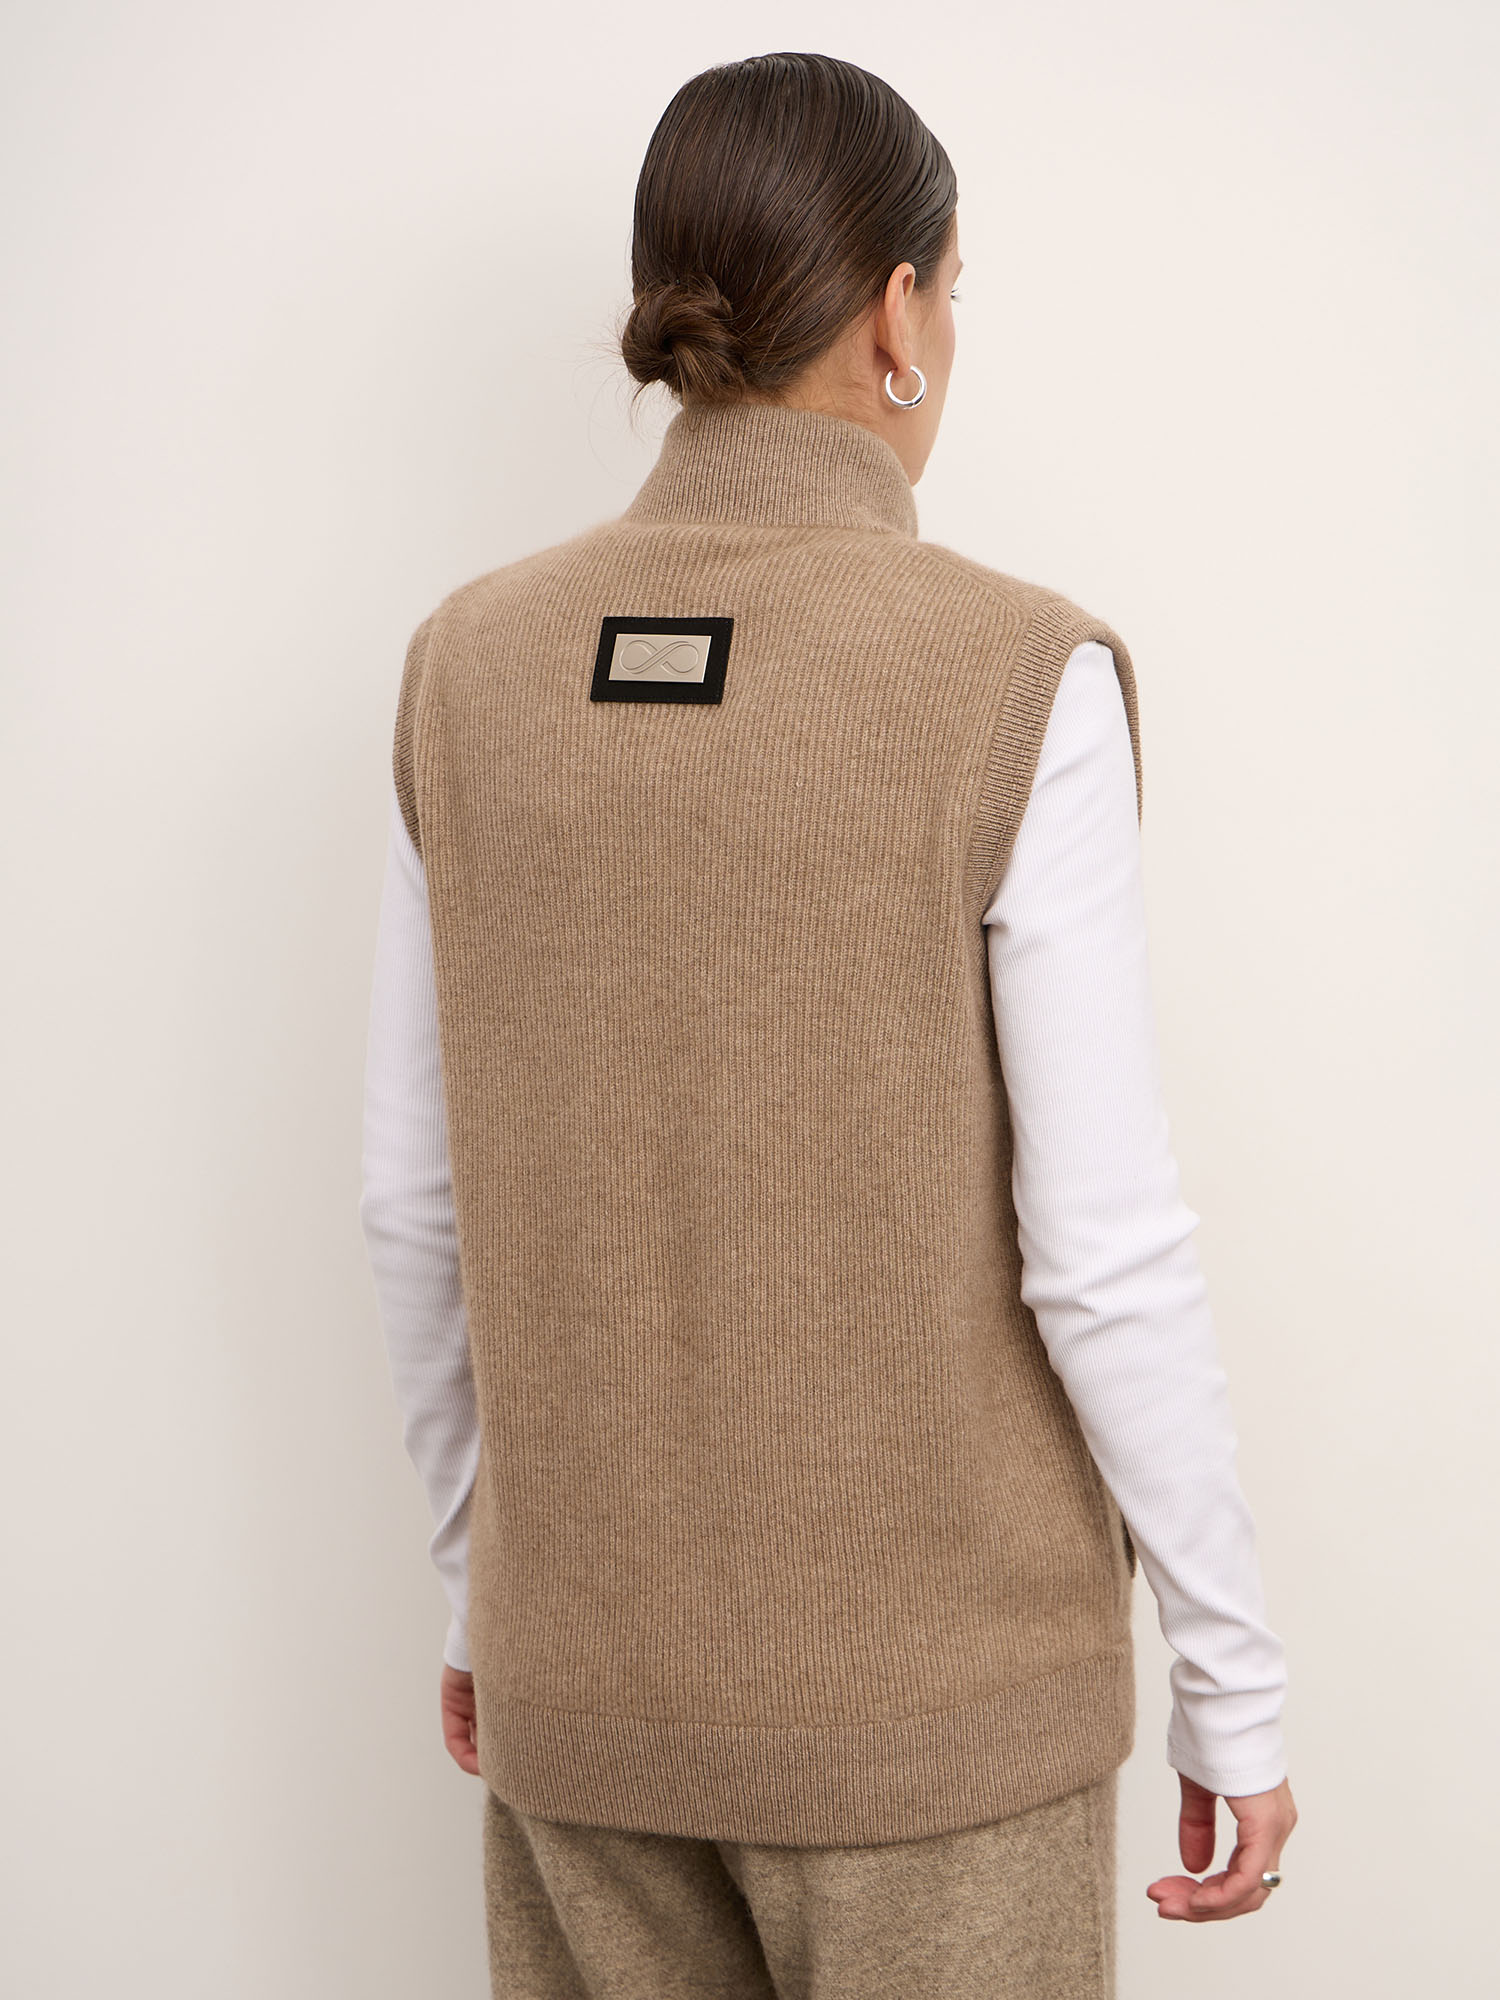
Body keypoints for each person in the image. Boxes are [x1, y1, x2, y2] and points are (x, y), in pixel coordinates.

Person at [359, 48, 1298, 1999]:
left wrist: (483, 1596)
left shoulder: (464, 666)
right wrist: (1233, 1675)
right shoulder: (1012, 674)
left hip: (580, 1705)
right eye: (954, 295)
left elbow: (414, 1207)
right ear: (898, 311)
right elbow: (1102, 1249)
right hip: (936, 1735)